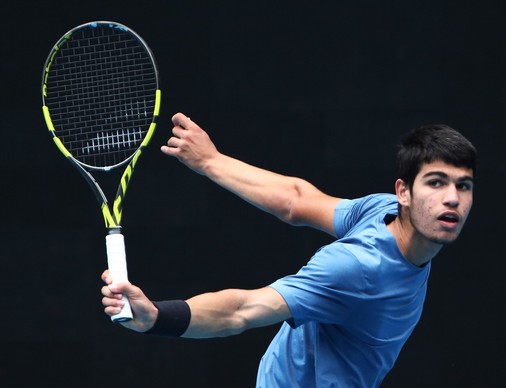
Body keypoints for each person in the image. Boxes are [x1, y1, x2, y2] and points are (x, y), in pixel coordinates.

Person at [101, 112, 477, 387]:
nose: (451, 199)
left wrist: (212, 162)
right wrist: (156, 318)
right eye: (436, 183)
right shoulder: (355, 268)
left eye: (463, 186)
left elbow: (296, 201)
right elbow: (242, 310)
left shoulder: (382, 212)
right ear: (404, 192)